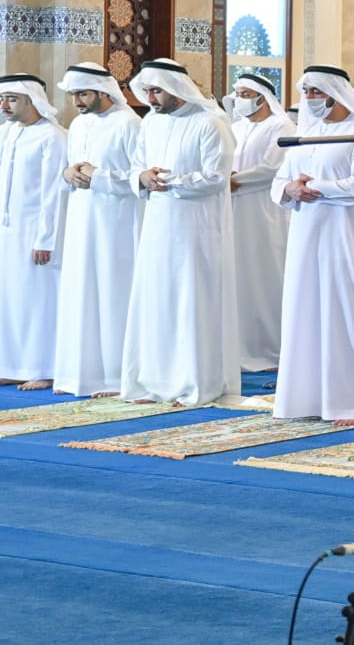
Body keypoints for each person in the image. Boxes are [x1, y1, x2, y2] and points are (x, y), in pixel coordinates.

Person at [120, 60, 241, 406]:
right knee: (157, 300)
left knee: (191, 301)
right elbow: (137, 167)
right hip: (158, 227)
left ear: (176, 88)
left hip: (196, 231)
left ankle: (193, 383)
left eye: (156, 90)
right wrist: (142, 179)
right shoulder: (150, 124)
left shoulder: (211, 124)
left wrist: (170, 181)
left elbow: (217, 178)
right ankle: (154, 382)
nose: (151, 98)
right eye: (147, 91)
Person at [272, 67, 354, 425]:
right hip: (306, 233)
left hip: (346, 237)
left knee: (347, 314)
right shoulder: (307, 133)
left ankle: (352, 404)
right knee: (305, 312)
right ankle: (304, 399)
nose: (309, 98)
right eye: (305, 91)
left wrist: (317, 187)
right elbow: (281, 179)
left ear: (334, 94)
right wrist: (291, 189)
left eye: (315, 91)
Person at [52, 64, 143, 397]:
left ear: (104, 92)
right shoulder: (78, 125)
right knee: (81, 290)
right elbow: (73, 165)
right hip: (81, 217)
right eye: (74, 94)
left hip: (116, 221)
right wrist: (68, 174)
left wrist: (98, 176)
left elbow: (139, 177)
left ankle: (114, 376)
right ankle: (79, 374)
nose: (76, 101)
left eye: (83, 94)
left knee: (111, 290)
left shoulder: (130, 124)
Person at [0, 74, 68, 389]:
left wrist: (45, 237)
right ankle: (14, 365)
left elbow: (53, 193)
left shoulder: (52, 137)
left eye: (12, 99)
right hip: (8, 232)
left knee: (40, 300)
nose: (4, 106)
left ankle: (45, 367)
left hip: (38, 234)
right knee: (12, 300)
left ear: (32, 100)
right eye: (2, 99)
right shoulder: (8, 133)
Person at [227, 74, 293, 372]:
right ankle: (241, 349)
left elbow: (272, 169)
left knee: (265, 278)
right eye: (237, 92)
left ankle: (270, 351)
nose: (238, 98)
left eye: (244, 93)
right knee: (239, 278)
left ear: (262, 97)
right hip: (233, 210)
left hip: (266, 213)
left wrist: (235, 181)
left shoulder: (281, 126)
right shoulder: (236, 128)